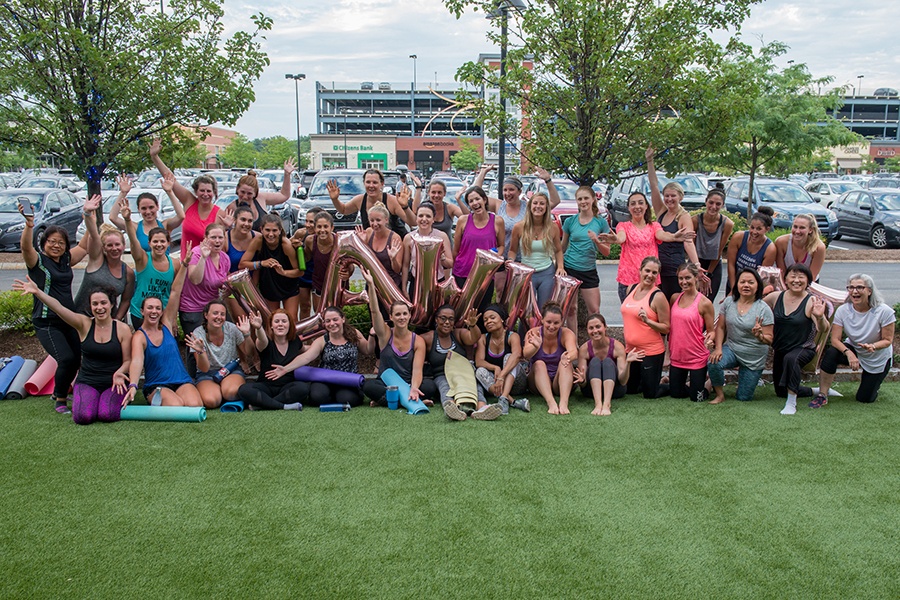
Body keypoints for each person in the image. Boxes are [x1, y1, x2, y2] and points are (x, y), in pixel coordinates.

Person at [13, 281, 131, 424]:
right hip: (87, 381)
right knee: (83, 417)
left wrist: (120, 373)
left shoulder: (122, 329)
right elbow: (59, 308)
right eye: (95, 304)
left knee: (107, 414)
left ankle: (105, 400)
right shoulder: (84, 324)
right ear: (90, 306)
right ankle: (90, 398)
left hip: (113, 382)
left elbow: (128, 360)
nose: (99, 307)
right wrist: (38, 293)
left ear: (111, 304)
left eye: (103, 303)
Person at [20, 198, 93, 414]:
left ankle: (59, 390)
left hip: (68, 319)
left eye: (61, 242)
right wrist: (29, 224)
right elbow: (25, 247)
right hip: (46, 321)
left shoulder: (65, 260)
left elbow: (84, 246)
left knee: (78, 356)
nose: (56, 245)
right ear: (44, 243)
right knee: (66, 358)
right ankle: (60, 399)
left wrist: (88, 217)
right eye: (52, 241)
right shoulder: (38, 262)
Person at [124, 253, 203, 407]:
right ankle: (159, 399)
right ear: (142, 311)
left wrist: (185, 265)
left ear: (162, 311)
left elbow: (175, 291)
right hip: (157, 385)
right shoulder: (139, 336)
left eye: (158, 308)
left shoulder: (166, 323)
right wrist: (133, 385)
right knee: (176, 407)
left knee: (195, 405)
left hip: (181, 380)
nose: (154, 311)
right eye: (150, 308)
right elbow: (137, 361)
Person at [812, 274, 895, 407]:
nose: (854, 291)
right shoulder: (843, 310)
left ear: (869, 291)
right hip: (854, 349)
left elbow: (887, 340)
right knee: (832, 353)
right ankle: (823, 394)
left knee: (865, 399)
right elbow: (835, 340)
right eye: (851, 287)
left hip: (877, 356)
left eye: (860, 287)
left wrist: (873, 346)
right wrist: (849, 353)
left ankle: (873, 385)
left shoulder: (884, 311)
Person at [360, 269, 437, 406]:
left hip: (409, 382)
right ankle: (412, 400)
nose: (401, 317)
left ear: (409, 316)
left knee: (430, 386)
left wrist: (414, 388)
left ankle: (391, 400)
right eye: (397, 315)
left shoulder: (417, 340)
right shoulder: (385, 335)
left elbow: (417, 370)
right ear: (391, 317)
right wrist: (371, 285)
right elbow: (375, 312)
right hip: (386, 383)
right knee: (368, 386)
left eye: (404, 314)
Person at [600, 191, 694, 302]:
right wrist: (615, 239)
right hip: (628, 279)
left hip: (651, 279)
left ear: (646, 206)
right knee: (631, 315)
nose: (637, 207)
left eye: (640, 203)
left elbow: (662, 235)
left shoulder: (654, 225)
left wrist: (674, 236)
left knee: (650, 314)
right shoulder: (623, 226)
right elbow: (621, 238)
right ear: (629, 207)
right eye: (633, 204)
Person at [763, 263, 829, 415]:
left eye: (801, 277)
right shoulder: (775, 297)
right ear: (785, 279)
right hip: (781, 350)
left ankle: (791, 403)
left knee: (791, 359)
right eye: (793, 276)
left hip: (803, 348)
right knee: (780, 390)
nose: (796, 280)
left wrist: (819, 317)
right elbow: (756, 308)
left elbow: (823, 328)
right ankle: (814, 390)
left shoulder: (811, 301)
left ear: (808, 281)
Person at [274, 306, 373, 407]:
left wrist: (372, 335)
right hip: (325, 379)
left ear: (342, 319)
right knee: (317, 397)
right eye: (328, 321)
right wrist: (285, 369)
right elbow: (306, 357)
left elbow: (367, 350)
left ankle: (340, 395)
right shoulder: (322, 340)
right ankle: (330, 395)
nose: (332, 324)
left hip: (348, 379)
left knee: (347, 399)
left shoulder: (354, 333)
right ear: (324, 323)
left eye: (335, 319)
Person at [149, 137, 230, 256]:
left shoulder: (220, 214)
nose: (205, 194)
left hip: (205, 266)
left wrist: (227, 228)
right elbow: (170, 178)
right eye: (202, 191)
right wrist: (155, 157)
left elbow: (221, 248)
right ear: (196, 192)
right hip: (186, 264)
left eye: (209, 191)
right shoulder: (189, 201)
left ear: (214, 192)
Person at [420, 304, 500, 421]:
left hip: (463, 372)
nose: (447, 322)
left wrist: (472, 325)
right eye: (443, 318)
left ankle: (482, 409)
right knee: (445, 387)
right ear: (436, 319)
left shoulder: (458, 334)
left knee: (476, 386)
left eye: (451, 319)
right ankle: (452, 408)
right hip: (441, 374)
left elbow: (474, 337)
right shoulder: (428, 338)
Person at [707, 268, 774, 404]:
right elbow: (720, 327)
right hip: (732, 348)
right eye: (742, 282)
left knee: (743, 397)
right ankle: (719, 394)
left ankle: (745, 379)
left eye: (751, 282)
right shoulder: (729, 302)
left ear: (758, 286)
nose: (746, 285)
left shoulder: (763, 309)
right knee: (714, 362)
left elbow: (770, 339)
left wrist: (760, 336)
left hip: (753, 357)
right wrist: (718, 348)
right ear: (737, 284)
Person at [646, 147, 701, 299]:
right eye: (667, 196)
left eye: (673, 196)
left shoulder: (683, 216)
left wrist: (696, 265)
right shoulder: (662, 211)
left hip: (674, 268)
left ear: (681, 197)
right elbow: (654, 185)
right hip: (658, 267)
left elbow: (688, 242)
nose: (669, 199)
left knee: (673, 303)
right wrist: (649, 160)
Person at [180, 223, 231, 375]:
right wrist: (204, 257)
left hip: (212, 307)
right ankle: (191, 379)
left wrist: (228, 290)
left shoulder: (225, 259)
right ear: (205, 238)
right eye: (213, 237)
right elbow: (195, 279)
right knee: (194, 347)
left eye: (220, 237)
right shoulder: (197, 253)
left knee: (225, 337)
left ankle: (218, 374)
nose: (217, 241)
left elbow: (222, 285)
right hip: (192, 307)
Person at [561, 185, 611, 337]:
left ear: (593, 199)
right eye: (580, 199)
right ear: (576, 201)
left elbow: (607, 252)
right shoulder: (570, 222)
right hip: (570, 268)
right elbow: (562, 247)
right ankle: (573, 345)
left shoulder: (600, 222)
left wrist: (596, 240)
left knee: (594, 311)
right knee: (571, 309)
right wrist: (559, 266)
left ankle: (595, 344)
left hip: (589, 270)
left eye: (586, 198)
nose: (583, 202)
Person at [185, 301, 254, 409]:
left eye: (222, 314)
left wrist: (247, 334)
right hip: (207, 374)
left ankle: (225, 390)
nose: (219, 317)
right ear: (206, 315)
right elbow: (204, 368)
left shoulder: (231, 328)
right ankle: (217, 391)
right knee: (212, 401)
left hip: (230, 370)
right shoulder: (198, 334)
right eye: (215, 313)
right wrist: (201, 352)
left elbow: (249, 352)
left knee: (231, 393)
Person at [73, 200, 134, 319]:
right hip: (82, 318)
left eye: (117, 244)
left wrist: (116, 321)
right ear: (103, 247)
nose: (114, 248)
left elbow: (125, 301)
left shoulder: (128, 273)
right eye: (109, 245)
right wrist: (88, 215)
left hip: (107, 321)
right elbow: (93, 236)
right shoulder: (97, 260)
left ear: (123, 245)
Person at [121, 204, 178, 330]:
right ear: (149, 243)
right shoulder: (142, 259)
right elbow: (134, 240)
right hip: (140, 313)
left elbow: (175, 293)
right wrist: (127, 220)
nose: (159, 245)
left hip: (162, 314)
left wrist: (173, 317)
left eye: (162, 241)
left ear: (168, 243)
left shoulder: (175, 264)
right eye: (155, 241)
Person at [620, 256, 671, 399]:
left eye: (654, 273)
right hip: (631, 351)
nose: (650, 275)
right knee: (630, 390)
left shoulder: (658, 296)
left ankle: (669, 385)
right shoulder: (631, 289)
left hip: (651, 351)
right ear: (640, 270)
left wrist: (648, 321)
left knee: (650, 394)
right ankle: (655, 379)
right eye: (647, 271)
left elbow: (666, 328)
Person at [236, 310, 308, 411]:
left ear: (289, 325)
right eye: (277, 321)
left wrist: (322, 346)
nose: (280, 324)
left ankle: (263, 404)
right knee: (244, 390)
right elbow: (262, 339)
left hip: (287, 386)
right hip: (266, 386)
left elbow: (305, 350)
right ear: (271, 326)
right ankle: (283, 406)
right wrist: (259, 327)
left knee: (303, 388)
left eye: (284, 321)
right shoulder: (266, 341)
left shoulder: (295, 340)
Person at [574, 313, 640, 415]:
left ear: (605, 327)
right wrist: (582, 381)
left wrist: (628, 363)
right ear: (587, 330)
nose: (595, 331)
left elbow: (623, 381)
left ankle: (606, 404)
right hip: (591, 391)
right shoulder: (584, 349)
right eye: (591, 328)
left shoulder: (617, 346)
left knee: (607, 362)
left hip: (615, 391)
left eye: (598, 327)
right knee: (595, 361)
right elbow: (583, 383)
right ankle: (598, 404)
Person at [452, 186, 505, 313]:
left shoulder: (497, 221)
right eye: (471, 201)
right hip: (462, 273)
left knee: (480, 312)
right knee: (461, 311)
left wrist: (494, 256)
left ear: (485, 200)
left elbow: (501, 246)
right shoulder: (463, 221)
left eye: (477, 199)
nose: (475, 203)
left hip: (485, 275)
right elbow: (456, 249)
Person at [508, 192, 565, 310]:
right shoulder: (519, 227)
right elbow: (513, 250)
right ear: (530, 206)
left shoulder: (552, 227)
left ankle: (542, 329)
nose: (538, 206)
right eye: (535, 203)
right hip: (527, 273)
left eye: (542, 204)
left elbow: (558, 251)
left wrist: (560, 267)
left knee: (544, 309)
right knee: (527, 310)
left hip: (546, 272)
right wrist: (511, 262)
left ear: (546, 208)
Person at [668, 263, 715, 402]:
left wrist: (710, 339)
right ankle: (693, 384)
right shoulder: (674, 298)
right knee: (676, 394)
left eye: (687, 278)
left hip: (697, 357)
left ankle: (709, 383)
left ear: (696, 278)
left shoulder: (704, 303)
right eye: (680, 278)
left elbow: (711, 330)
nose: (683, 282)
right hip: (677, 356)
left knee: (697, 398)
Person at [239, 214, 303, 317]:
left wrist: (283, 272)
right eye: (267, 230)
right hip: (269, 284)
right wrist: (261, 263)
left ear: (280, 230)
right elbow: (242, 264)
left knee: (291, 319)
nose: (271, 234)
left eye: (274, 231)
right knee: (272, 319)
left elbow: (299, 271)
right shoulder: (258, 241)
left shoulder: (285, 245)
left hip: (288, 285)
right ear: (261, 229)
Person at [523, 302, 578, 414]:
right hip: (538, 383)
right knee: (539, 363)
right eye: (548, 322)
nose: (552, 326)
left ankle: (563, 403)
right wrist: (535, 346)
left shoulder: (566, 333)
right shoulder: (533, 333)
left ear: (562, 322)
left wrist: (567, 357)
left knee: (566, 362)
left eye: (556, 323)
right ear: (542, 320)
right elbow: (525, 354)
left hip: (559, 381)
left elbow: (574, 352)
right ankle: (551, 403)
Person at [474, 304, 530, 414]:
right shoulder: (483, 338)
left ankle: (504, 397)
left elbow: (517, 355)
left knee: (509, 357)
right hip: (496, 385)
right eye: (485, 320)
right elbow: (479, 361)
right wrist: (495, 368)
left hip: (516, 383)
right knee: (479, 371)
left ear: (502, 319)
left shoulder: (512, 336)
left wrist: (501, 376)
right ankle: (510, 401)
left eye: (492, 317)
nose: (488, 321)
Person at [327, 169, 415, 238]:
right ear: (364, 183)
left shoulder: (391, 200)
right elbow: (343, 209)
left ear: (382, 184)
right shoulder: (360, 200)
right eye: (368, 182)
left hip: (395, 244)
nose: (371, 186)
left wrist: (405, 206)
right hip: (373, 245)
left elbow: (413, 222)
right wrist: (335, 199)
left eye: (375, 182)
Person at [108, 173, 185, 252]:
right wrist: (123, 193)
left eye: (151, 207)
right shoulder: (135, 227)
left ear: (157, 206)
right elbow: (113, 217)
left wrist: (169, 192)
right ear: (138, 209)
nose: (148, 212)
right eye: (144, 208)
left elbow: (181, 216)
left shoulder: (165, 225)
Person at [401, 202, 454, 299]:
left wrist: (441, 257)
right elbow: (405, 265)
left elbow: (450, 264)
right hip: (416, 281)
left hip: (437, 281)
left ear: (433, 219)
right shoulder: (409, 238)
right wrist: (404, 288)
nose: (424, 219)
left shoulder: (441, 236)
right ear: (416, 218)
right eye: (420, 216)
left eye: (428, 216)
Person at [224, 161, 295, 231]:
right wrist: (227, 227)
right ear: (237, 189)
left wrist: (287, 174)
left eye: (249, 194)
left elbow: (284, 195)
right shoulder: (231, 208)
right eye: (242, 192)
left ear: (255, 193)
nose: (245, 197)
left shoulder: (260, 199)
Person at [692, 189, 733, 299]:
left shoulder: (727, 224)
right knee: (693, 299)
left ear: (722, 205)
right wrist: (698, 273)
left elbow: (719, 250)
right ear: (706, 202)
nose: (713, 207)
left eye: (718, 204)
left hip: (713, 264)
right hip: (697, 262)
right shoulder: (695, 221)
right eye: (711, 202)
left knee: (708, 300)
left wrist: (708, 275)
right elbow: (691, 247)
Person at [725, 207, 775, 295]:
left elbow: (761, 278)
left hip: (752, 289)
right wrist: (734, 289)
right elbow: (731, 264)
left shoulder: (770, 249)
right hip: (734, 283)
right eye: (752, 227)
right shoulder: (738, 237)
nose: (754, 232)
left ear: (767, 229)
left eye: (759, 229)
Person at [354, 202, 403, 289]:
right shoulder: (368, 232)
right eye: (372, 220)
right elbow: (362, 262)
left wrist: (393, 259)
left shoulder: (394, 238)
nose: (375, 224)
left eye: (378, 220)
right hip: (373, 283)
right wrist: (362, 243)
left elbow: (397, 270)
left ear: (386, 220)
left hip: (390, 285)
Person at [775, 214, 827, 282]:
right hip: (787, 282)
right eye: (795, 227)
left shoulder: (818, 247)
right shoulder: (781, 242)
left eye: (802, 228)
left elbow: (812, 277)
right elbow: (782, 272)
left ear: (810, 230)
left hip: (810, 283)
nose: (797, 231)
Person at [292, 208, 321, 319]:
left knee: (318, 309)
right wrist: (294, 245)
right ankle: (305, 334)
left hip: (318, 276)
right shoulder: (301, 233)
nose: (308, 225)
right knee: (304, 306)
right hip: (304, 275)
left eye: (311, 222)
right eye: (306, 221)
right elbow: (287, 244)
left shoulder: (325, 236)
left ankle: (318, 334)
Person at [304, 211, 337, 311]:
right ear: (314, 228)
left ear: (332, 227)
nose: (322, 230)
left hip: (335, 285)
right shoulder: (310, 241)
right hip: (318, 283)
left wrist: (347, 273)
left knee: (335, 315)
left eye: (325, 226)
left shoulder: (339, 241)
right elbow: (307, 258)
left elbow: (350, 266)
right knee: (319, 315)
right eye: (319, 227)